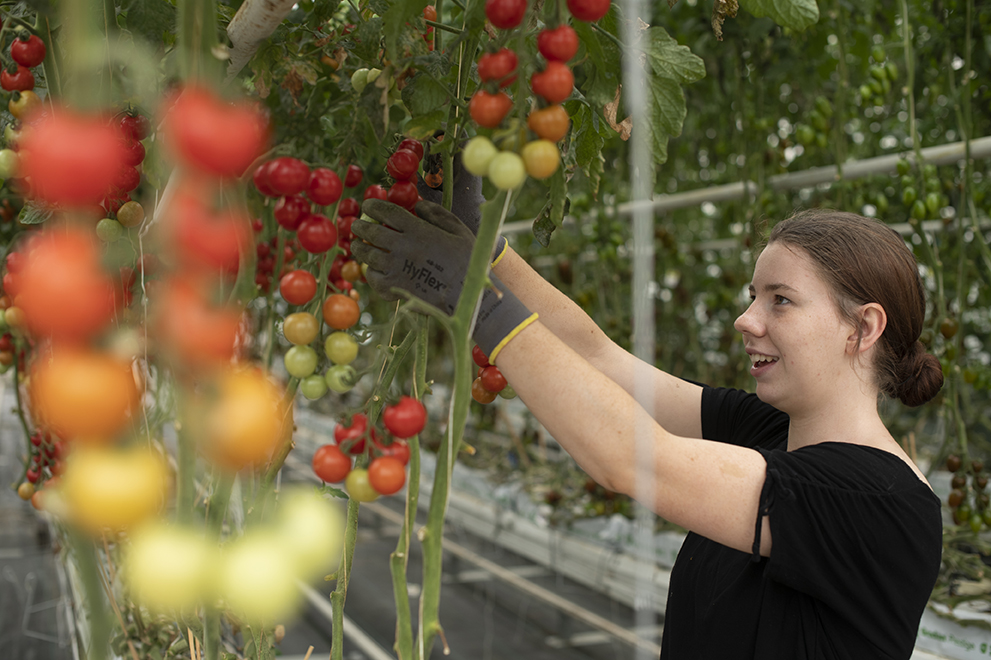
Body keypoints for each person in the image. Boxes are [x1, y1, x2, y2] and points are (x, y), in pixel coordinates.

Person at [350, 158, 945, 660]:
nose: (747, 320)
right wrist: (485, 249)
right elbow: (600, 359)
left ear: (863, 328)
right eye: (752, 296)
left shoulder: (877, 503)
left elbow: (630, 459)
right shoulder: (771, 433)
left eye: (781, 301)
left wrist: (475, 300)